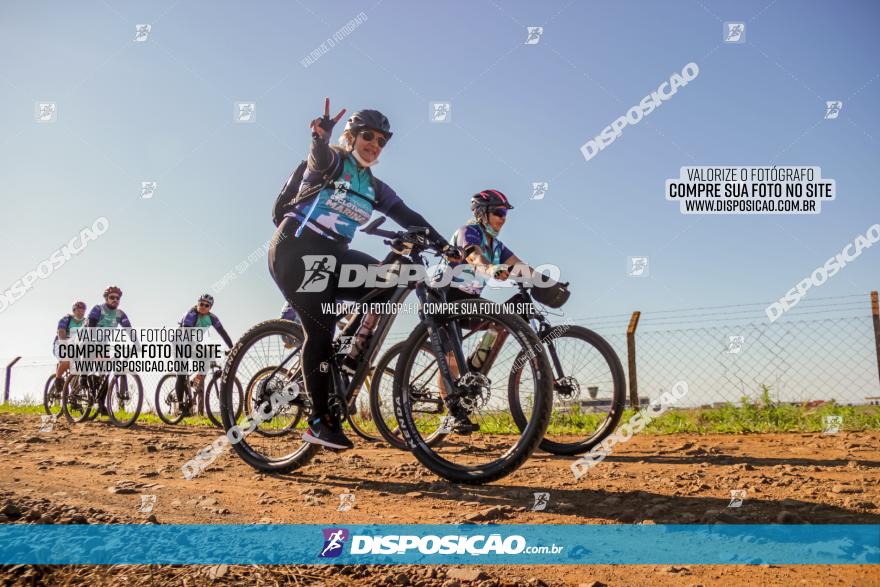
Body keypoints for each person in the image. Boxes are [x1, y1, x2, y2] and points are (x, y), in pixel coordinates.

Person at [269, 98, 460, 450]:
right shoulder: (333, 162)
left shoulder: (374, 187)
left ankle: (347, 348)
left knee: (389, 287)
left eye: (381, 142)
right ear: (351, 136)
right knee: (320, 331)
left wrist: (446, 247)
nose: (374, 145)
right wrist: (319, 138)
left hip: (335, 254)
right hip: (297, 250)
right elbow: (318, 159)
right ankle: (320, 421)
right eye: (368, 137)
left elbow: (408, 215)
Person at [433, 189, 541, 433]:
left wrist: (547, 282)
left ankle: (472, 370)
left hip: (469, 299)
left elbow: (521, 267)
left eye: (505, 214)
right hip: (442, 297)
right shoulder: (468, 231)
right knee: (450, 360)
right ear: (482, 213)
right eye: (498, 212)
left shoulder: (496, 244)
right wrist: (490, 269)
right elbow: (474, 256)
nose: (503, 218)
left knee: (502, 320)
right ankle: (452, 414)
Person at [173, 294, 234, 416]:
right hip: (179, 342)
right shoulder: (191, 313)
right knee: (181, 373)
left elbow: (223, 333)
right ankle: (180, 405)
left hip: (192, 343)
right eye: (201, 304)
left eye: (206, 305)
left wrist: (232, 348)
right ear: (197, 303)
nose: (203, 307)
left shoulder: (212, 318)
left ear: (210, 308)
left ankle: (193, 383)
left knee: (206, 361)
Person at [86, 286, 133, 413]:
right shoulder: (98, 309)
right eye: (112, 297)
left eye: (117, 298)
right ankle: (83, 379)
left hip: (103, 343)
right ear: (106, 298)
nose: (115, 300)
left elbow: (128, 329)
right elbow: (91, 327)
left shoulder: (120, 314)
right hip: (86, 338)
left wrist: (136, 343)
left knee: (105, 373)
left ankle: (101, 404)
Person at [51, 301, 87, 394]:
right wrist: (65, 346)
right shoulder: (66, 319)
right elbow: (61, 333)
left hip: (75, 346)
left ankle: (74, 396)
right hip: (60, 343)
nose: (80, 313)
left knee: (78, 368)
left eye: (83, 311)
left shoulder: (85, 322)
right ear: (74, 311)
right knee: (67, 360)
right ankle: (58, 379)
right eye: (78, 310)